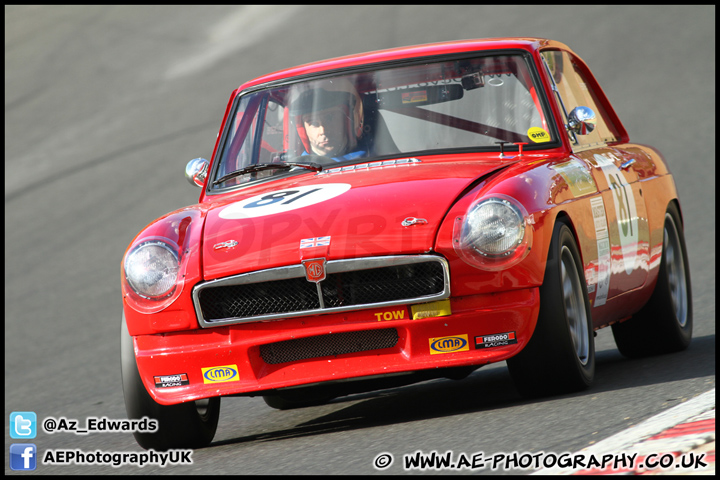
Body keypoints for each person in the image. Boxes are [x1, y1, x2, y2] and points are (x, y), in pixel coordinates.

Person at [289, 79, 368, 162]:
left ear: (346, 121)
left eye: (330, 118)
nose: (323, 131)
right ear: (303, 130)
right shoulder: (299, 169)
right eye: (314, 123)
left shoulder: (373, 157)